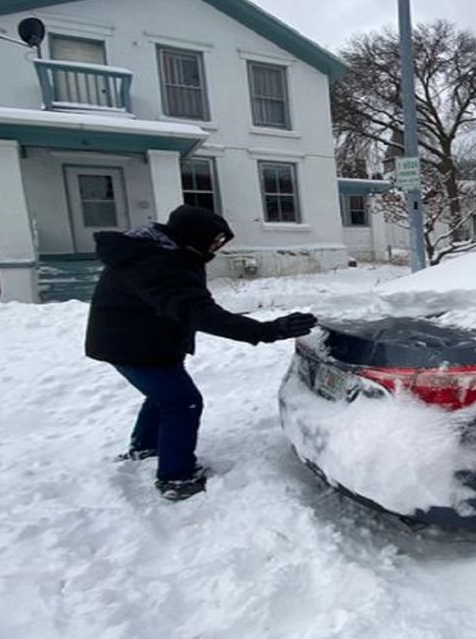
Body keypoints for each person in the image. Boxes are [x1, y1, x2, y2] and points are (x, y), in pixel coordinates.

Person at [85, 205, 317, 501]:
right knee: (183, 404)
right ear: (193, 236)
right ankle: (176, 478)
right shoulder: (156, 261)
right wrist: (267, 331)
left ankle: (146, 447)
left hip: (145, 343)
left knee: (164, 397)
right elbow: (197, 311)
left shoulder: (163, 250)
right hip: (132, 346)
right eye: (214, 241)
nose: (216, 248)